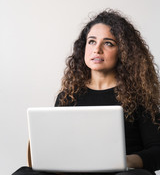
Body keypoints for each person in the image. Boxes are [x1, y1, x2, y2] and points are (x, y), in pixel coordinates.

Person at [12, 9, 160, 175]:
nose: (97, 49)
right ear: (83, 47)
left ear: (124, 52)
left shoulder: (140, 96)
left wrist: (126, 160)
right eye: (91, 41)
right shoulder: (68, 96)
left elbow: (157, 150)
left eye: (108, 43)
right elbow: (56, 147)